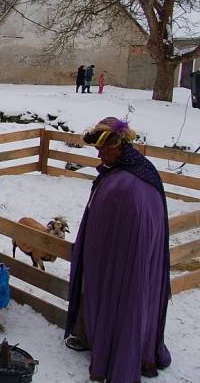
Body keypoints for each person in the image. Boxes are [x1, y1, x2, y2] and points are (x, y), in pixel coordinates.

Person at [65, 117, 171, 381]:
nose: (100, 156)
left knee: (123, 297)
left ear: (118, 146)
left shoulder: (128, 184)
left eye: (103, 150)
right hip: (131, 256)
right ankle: (111, 341)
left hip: (125, 260)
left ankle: (117, 352)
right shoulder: (143, 170)